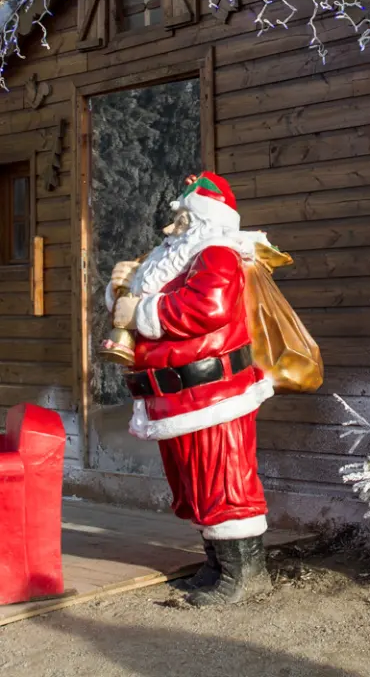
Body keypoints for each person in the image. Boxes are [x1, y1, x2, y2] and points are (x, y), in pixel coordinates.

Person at [107, 171, 274, 606]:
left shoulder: (216, 252)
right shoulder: (179, 257)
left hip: (212, 395)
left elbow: (208, 307)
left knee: (223, 480)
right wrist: (120, 289)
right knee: (195, 484)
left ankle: (244, 575)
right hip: (179, 398)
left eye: (180, 221)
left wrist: (141, 308)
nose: (169, 229)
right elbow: (143, 302)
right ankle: (219, 565)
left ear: (201, 219)